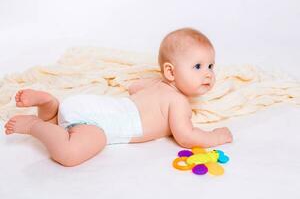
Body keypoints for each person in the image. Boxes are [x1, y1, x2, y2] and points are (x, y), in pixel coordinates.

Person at [4, 27, 233, 167]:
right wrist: (215, 137)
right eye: (198, 66)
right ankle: (34, 125)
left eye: (211, 66)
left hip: (90, 105)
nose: (208, 74)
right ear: (171, 71)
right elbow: (186, 136)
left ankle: (50, 106)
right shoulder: (178, 102)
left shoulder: (156, 85)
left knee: (59, 123)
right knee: (70, 153)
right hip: (99, 124)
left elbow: (134, 88)